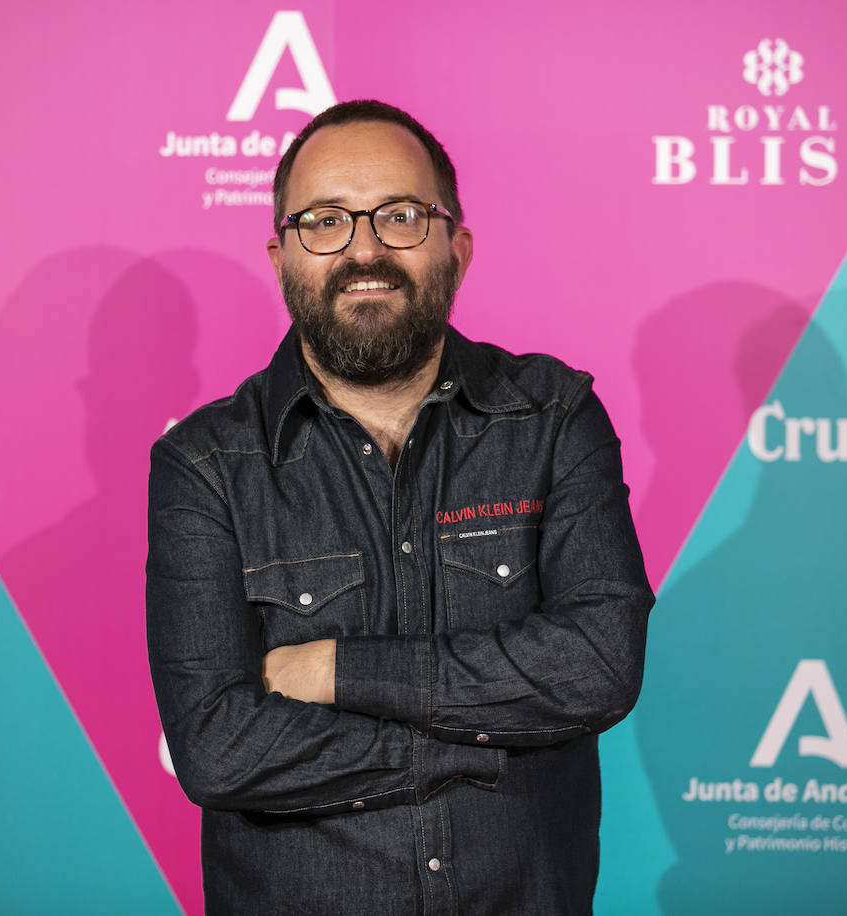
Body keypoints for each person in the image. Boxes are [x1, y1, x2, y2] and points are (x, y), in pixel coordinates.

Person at [146, 99, 654, 915]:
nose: (365, 250)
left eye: (402, 216)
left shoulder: (554, 418)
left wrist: (332, 670)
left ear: (459, 246)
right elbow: (216, 750)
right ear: (280, 256)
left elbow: (597, 665)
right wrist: (471, 748)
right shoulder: (206, 466)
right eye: (324, 222)